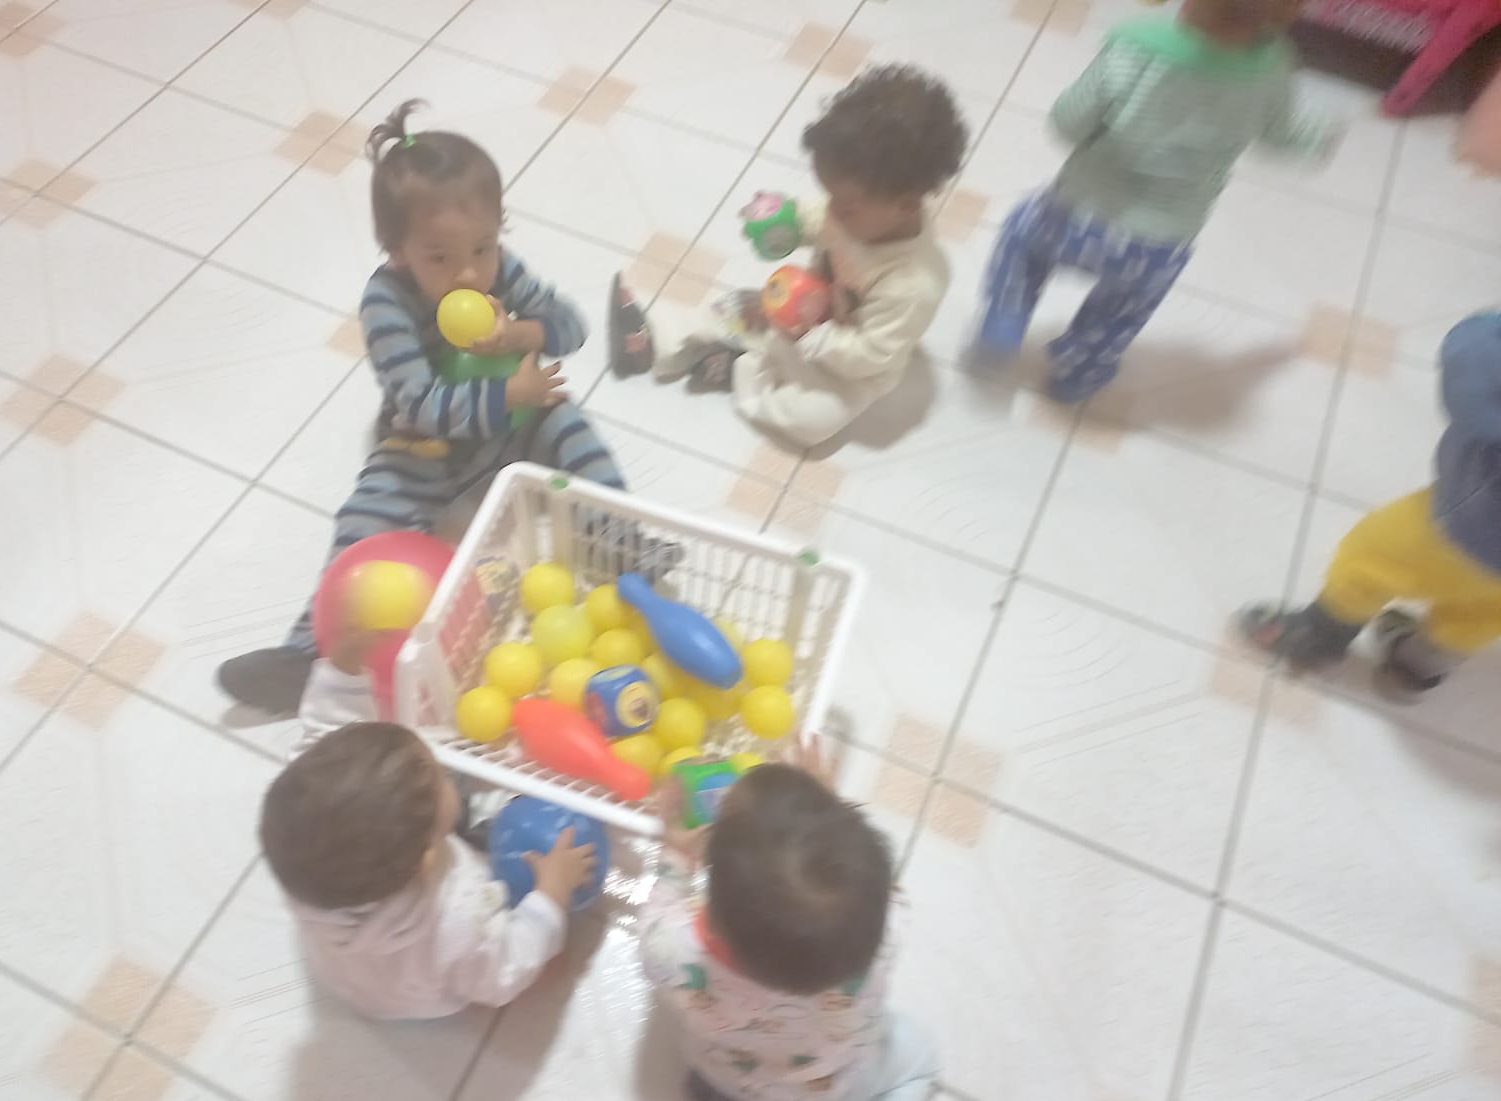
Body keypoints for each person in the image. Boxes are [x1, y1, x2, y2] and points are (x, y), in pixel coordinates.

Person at [219, 99, 674, 714]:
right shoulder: (387, 303)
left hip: (512, 428)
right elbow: (419, 401)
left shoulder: (499, 271)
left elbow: (570, 325)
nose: (468, 273)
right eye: (439, 258)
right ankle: (308, 653)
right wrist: (507, 393)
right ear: (397, 250)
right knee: (363, 523)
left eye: (482, 248)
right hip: (423, 443)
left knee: (569, 425)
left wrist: (521, 334)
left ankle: (624, 543)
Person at [972, 0, 1338, 402]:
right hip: (1158, 247)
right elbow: (1280, 135)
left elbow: (1068, 120)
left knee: (1020, 241)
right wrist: (1320, 137)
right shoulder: (1272, 67)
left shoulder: (1135, 45)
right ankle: (1078, 375)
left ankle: (1004, 322)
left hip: (1076, 217)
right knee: (1119, 314)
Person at [640, 748, 936, 1101]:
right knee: (918, 1050)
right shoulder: (888, 929)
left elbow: (654, 922)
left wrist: (675, 857)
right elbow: (882, 892)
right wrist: (832, 806)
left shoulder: (676, 953)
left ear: (712, 914)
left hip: (727, 1079)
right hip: (832, 1093)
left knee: (706, 1088)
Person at [259, 627, 594, 1019]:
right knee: (534, 941)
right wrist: (551, 894)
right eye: (437, 776)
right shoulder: (456, 921)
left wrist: (346, 659)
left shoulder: (304, 841)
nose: (438, 767)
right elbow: (503, 972)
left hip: (349, 970)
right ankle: (541, 932)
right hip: (422, 992)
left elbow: (325, 730)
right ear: (429, 857)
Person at [628, 65, 966, 449]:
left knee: (814, 420)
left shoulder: (913, 283)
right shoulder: (854, 210)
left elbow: (872, 355)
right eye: (830, 197)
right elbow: (818, 219)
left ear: (906, 204)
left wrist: (811, 338)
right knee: (734, 307)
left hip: (843, 364)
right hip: (800, 307)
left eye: (846, 207)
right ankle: (652, 340)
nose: (833, 211)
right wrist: (785, 225)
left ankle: (741, 373)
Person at [1240, 312, 1501, 699]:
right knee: (1484, 610)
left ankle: (1319, 636)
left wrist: (1486, 326)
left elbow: (1474, 364)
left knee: (1372, 558)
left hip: (1472, 527)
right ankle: (1421, 664)